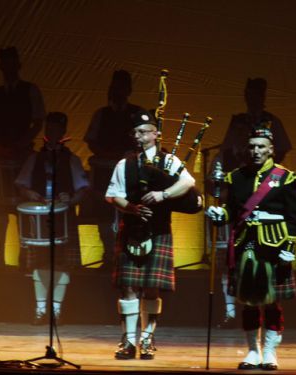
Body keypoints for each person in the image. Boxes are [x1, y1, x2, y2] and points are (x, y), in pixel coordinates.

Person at [206, 123, 296, 370]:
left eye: (261, 147)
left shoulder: (285, 178)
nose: (256, 151)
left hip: (274, 247)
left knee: (272, 303)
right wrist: (220, 214)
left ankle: (270, 352)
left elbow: (294, 218)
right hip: (245, 246)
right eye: (251, 147)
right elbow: (233, 212)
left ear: (271, 149)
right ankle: (253, 351)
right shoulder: (236, 177)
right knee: (248, 302)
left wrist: (289, 248)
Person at [105, 109, 195, 360]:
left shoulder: (170, 161)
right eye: (135, 132)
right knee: (129, 289)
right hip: (132, 229)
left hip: (159, 230)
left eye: (143, 132)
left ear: (156, 134)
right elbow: (112, 195)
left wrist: (163, 195)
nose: (138, 136)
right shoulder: (125, 163)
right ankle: (128, 341)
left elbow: (188, 182)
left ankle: (147, 339)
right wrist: (131, 208)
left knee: (152, 288)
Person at [214, 77, 292, 327]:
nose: (253, 97)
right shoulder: (237, 121)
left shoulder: (273, 120)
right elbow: (226, 151)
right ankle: (230, 309)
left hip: (267, 189)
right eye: (250, 93)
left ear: (263, 95)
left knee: (266, 263)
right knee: (233, 255)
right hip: (241, 186)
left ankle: (268, 334)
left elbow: (283, 149)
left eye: (258, 93)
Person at [15, 112, 88, 324]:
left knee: (62, 263)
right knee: (40, 263)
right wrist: (29, 194)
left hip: (62, 218)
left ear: (63, 132)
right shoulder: (34, 158)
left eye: (56, 130)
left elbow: (83, 189)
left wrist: (71, 199)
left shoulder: (71, 159)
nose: (53, 133)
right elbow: (21, 184)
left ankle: (56, 311)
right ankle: (40, 310)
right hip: (39, 220)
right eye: (49, 129)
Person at [0, 46, 46, 267]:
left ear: (18, 65)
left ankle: (25, 256)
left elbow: (38, 122)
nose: (8, 68)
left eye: (11, 63)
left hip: (22, 157)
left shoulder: (30, 90)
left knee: (23, 208)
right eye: (4, 64)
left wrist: (21, 144)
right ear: (0, 67)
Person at [83, 70, 145, 269]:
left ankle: (127, 254)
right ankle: (109, 255)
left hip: (129, 172)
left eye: (122, 87)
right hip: (104, 171)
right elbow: (91, 140)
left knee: (128, 212)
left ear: (129, 90)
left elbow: (145, 140)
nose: (118, 91)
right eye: (115, 86)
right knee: (104, 214)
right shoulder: (101, 114)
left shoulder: (138, 113)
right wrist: (107, 154)